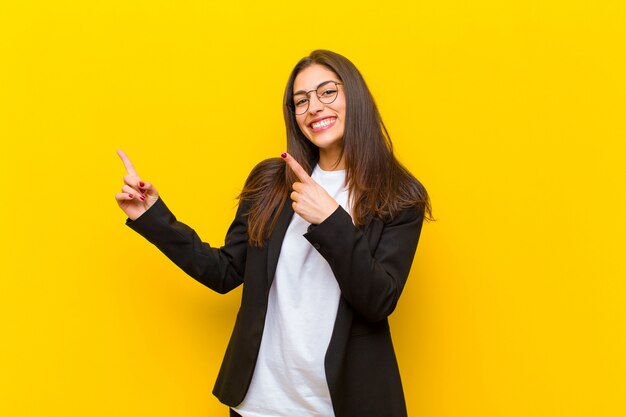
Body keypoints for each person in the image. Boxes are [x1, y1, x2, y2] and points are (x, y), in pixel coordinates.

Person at [115, 50, 432, 417]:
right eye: (301, 101)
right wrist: (152, 216)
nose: (314, 107)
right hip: (261, 405)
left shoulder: (399, 196)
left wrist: (331, 220)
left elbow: (378, 300)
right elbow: (223, 272)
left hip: (342, 406)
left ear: (354, 96)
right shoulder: (272, 183)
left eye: (327, 92)